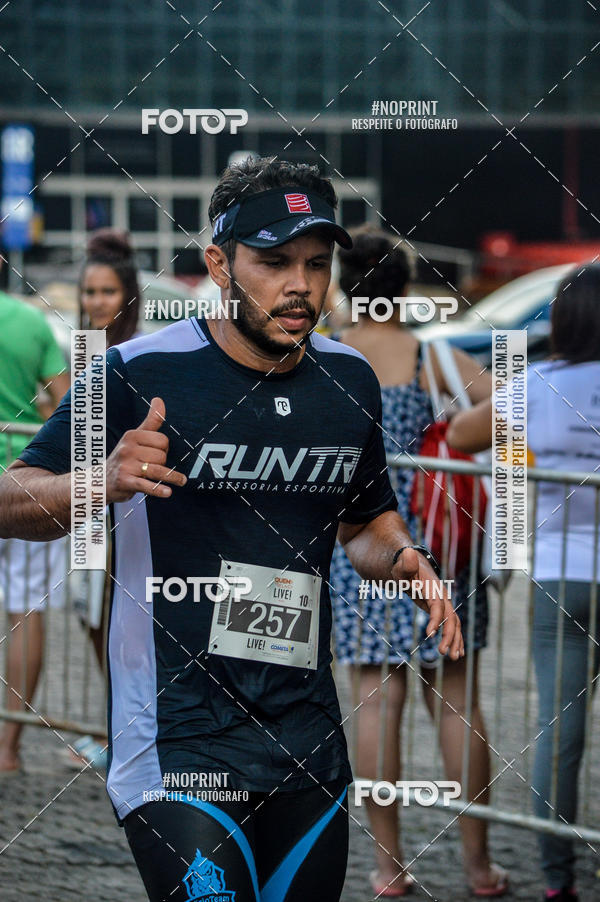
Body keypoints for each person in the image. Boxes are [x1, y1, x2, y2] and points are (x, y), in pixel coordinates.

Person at [0, 157, 463, 902]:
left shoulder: (349, 380)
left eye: (316, 264)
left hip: (304, 736)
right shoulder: (135, 372)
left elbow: (365, 522)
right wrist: (100, 480)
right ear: (219, 263)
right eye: (274, 263)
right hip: (176, 732)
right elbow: (9, 498)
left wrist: (406, 557)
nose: (300, 285)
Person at [328, 225, 508, 897]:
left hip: (361, 547)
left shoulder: (329, 357)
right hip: (440, 546)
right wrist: (456, 435)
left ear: (344, 286)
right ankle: (478, 865)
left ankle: (387, 865)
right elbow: (509, 400)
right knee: (457, 701)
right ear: (404, 291)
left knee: (375, 702)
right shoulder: (431, 358)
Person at [447, 264, 600, 902]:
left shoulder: (539, 384)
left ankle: (558, 878)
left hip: (565, 573)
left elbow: (460, 434)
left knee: (559, 733)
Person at [69, 228, 142, 768]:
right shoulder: (83, 349)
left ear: (128, 295)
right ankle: (117, 730)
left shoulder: (142, 353)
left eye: (107, 292)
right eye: (89, 292)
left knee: (129, 625)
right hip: (89, 509)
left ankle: (134, 734)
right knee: (92, 619)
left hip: (134, 514)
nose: (97, 302)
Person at [0, 266, 70, 774]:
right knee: (25, 611)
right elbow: (70, 404)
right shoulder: (28, 322)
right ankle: (7, 747)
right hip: (24, 482)